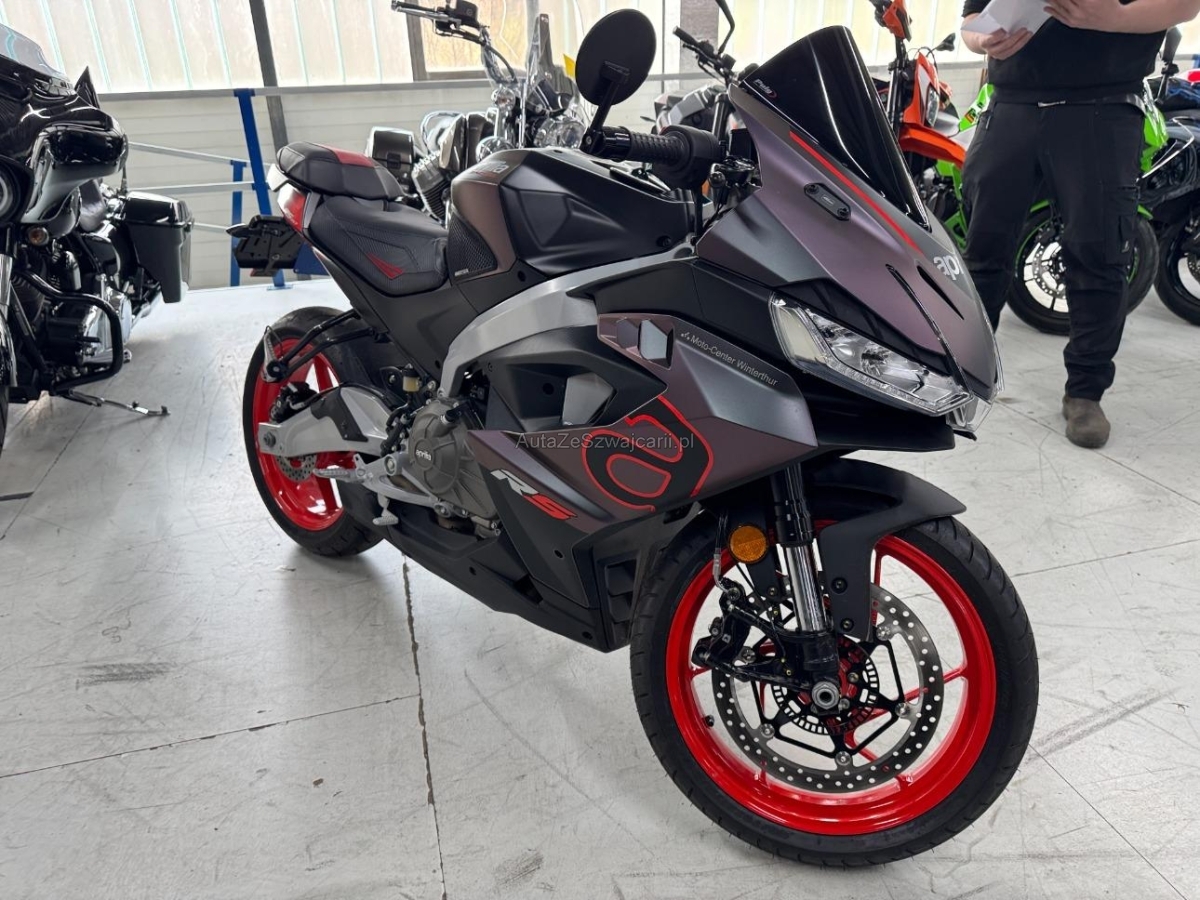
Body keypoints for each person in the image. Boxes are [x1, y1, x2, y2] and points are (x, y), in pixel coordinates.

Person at [960, 0, 1200, 448]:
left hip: (1102, 107)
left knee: (1099, 255)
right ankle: (963, 371)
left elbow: (1185, 5)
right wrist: (983, 40)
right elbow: (971, 20)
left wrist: (1117, 19)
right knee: (981, 251)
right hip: (1010, 105)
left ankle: (1085, 394)